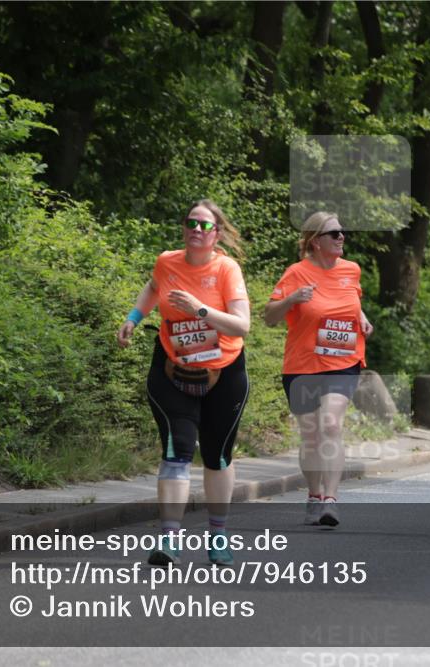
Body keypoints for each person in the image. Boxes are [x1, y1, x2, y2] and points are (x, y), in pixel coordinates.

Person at [117, 199, 250, 567]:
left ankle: (218, 536)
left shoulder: (227, 270)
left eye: (205, 225)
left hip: (225, 373)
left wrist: (199, 310)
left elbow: (242, 325)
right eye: (191, 223)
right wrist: (133, 317)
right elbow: (153, 287)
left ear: (217, 234)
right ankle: (169, 540)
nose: (197, 229)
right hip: (172, 371)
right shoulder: (167, 261)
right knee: (177, 452)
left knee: (217, 456)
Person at [264, 212, 372, 527]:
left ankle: (331, 500)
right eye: (334, 233)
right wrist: (293, 299)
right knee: (311, 435)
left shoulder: (351, 270)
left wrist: (361, 317)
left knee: (331, 424)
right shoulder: (296, 273)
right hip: (302, 364)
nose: (342, 238)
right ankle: (313, 494)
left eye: (342, 232)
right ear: (315, 241)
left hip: (343, 361)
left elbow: (348, 298)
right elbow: (269, 316)